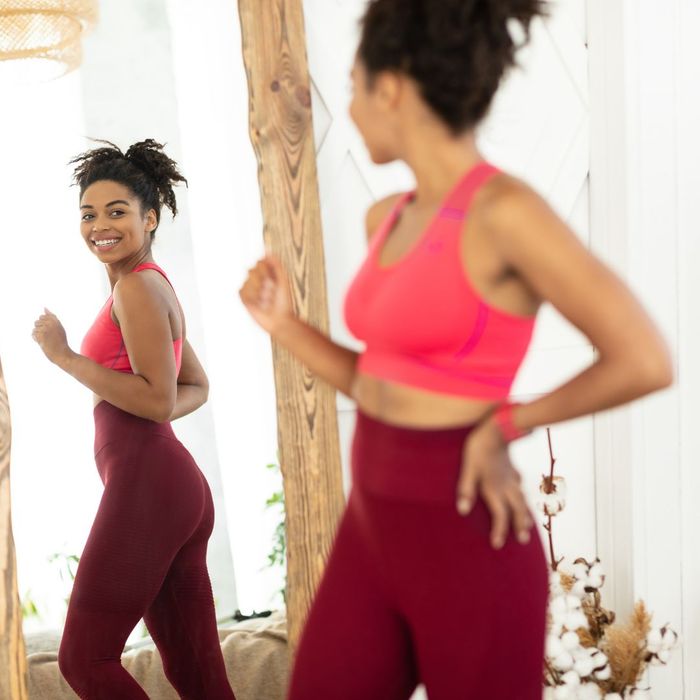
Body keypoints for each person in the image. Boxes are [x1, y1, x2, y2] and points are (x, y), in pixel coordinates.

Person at [239, 1, 673, 698]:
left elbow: (644, 357)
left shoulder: (506, 213)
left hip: (469, 541)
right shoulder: (390, 216)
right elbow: (379, 381)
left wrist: (508, 422)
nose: (346, 108)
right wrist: (285, 325)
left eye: (352, 86)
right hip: (372, 531)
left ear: (391, 89)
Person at [32, 139, 236, 700]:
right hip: (171, 486)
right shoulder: (146, 282)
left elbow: (157, 401)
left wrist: (66, 358)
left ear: (149, 217)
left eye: (117, 212)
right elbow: (193, 387)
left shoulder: (138, 287)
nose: (100, 225)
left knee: (85, 658)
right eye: (88, 214)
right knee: (196, 674)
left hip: (150, 483)